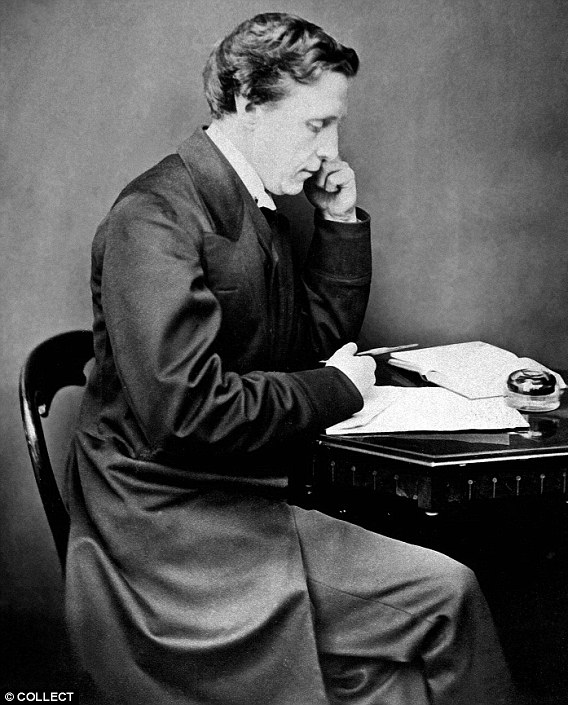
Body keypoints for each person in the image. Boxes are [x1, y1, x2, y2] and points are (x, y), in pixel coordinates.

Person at [66, 12, 514, 705]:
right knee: (445, 597)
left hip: (229, 498)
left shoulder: (253, 203)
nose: (330, 150)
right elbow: (185, 413)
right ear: (248, 101)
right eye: (315, 125)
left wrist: (338, 222)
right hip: (165, 532)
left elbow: (305, 347)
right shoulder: (153, 217)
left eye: (335, 125)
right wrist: (339, 389)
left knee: (398, 674)